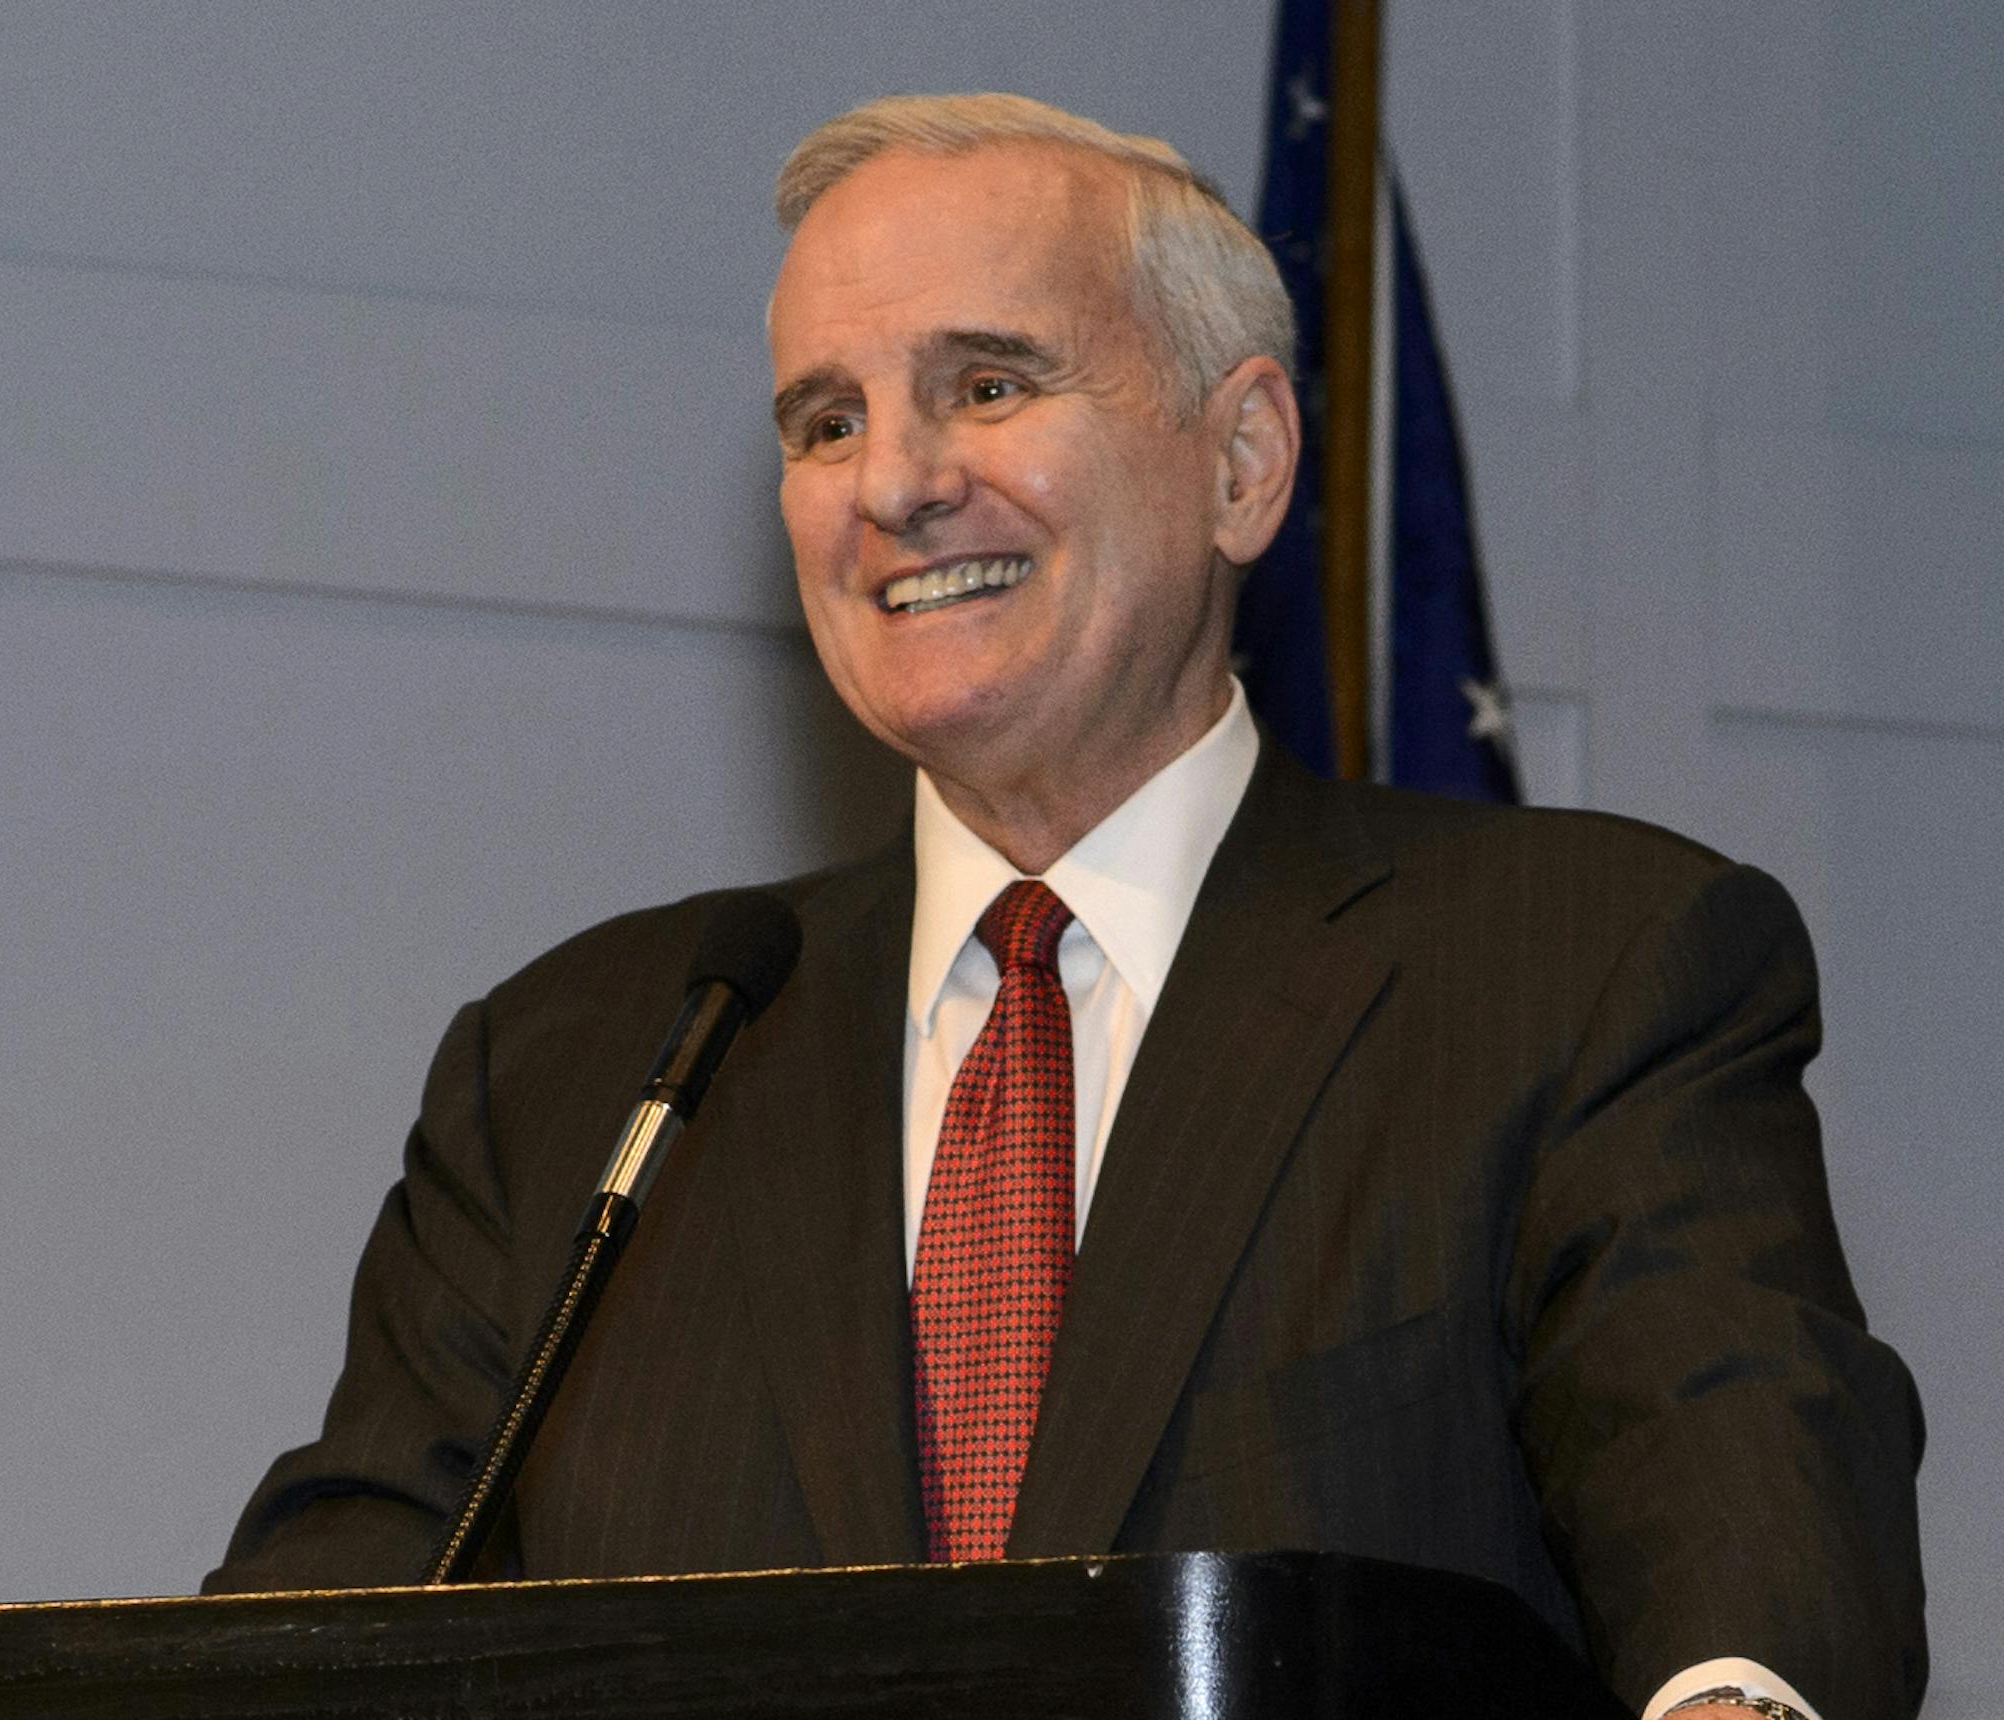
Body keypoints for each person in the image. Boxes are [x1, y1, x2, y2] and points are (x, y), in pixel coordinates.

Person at [206, 95, 1925, 1719]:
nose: (895, 483)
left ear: (1244, 459)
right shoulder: (590, 1065)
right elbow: (313, 1640)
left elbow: (1741, 1501)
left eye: (990, 385)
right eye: (827, 421)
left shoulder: (1578, 967)